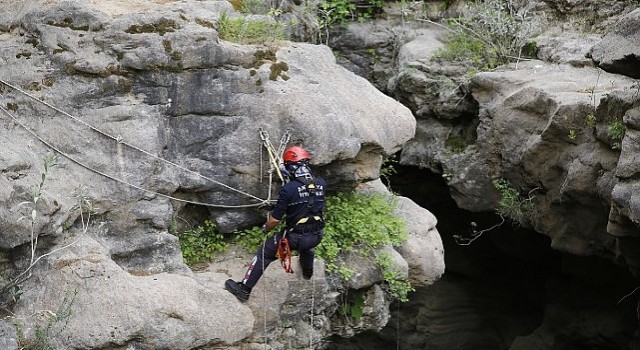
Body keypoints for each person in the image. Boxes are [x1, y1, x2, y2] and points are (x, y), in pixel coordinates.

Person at [225, 145, 327, 302]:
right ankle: (307, 271)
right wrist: (279, 205)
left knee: (265, 252)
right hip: (316, 236)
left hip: (294, 238)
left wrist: (266, 227)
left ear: (290, 167)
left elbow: (275, 220)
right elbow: (307, 203)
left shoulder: (288, 189)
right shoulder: (321, 184)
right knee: (307, 245)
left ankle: (244, 289)